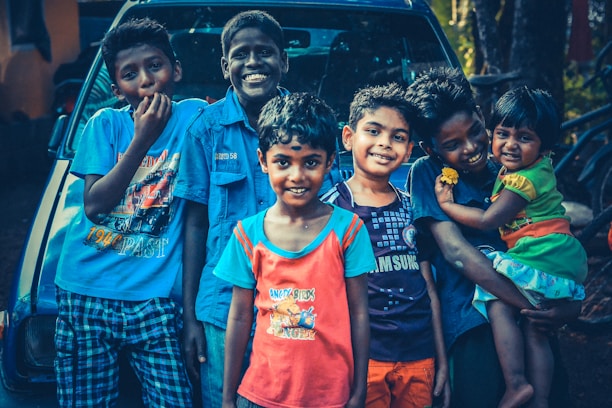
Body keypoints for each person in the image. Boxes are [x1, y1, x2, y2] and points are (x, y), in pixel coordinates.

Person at [174, 10, 341, 408]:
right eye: (241, 54)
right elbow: (195, 227)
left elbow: (327, 215)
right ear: (225, 65)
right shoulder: (206, 130)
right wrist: (191, 316)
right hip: (220, 304)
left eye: (264, 52)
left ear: (284, 61)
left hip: (293, 302)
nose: (253, 62)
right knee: (225, 400)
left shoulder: (310, 123)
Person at [405, 67, 582, 408]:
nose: (471, 148)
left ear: (481, 116)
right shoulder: (428, 174)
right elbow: (457, 253)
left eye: (475, 132)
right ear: (431, 148)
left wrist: (568, 307)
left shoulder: (513, 167)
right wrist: (530, 304)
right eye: (453, 144)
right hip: (475, 322)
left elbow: (553, 237)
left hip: (534, 323)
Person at [53, 18, 207, 407]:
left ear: (176, 70)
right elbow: (95, 205)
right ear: (117, 88)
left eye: (155, 66)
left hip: (154, 299)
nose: (146, 80)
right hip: (85, 290)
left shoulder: (195, 119)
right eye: (130, 73)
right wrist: (142, 140)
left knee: (176, 399)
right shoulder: (105, 125)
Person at [216, 92, 374, 408]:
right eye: (283, 162)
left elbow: (359, 314)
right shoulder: (247, 235)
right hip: (260, 395)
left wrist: (358, 391)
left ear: (330, 161)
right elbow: (238, 318)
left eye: (311, 162)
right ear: (263, 161)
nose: (297, 176)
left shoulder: (349, 231)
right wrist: (227, 398)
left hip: (331, 398)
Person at [321, 83, 450, 408]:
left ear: (408, 151)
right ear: (349, 137)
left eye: (398, 137)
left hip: (419, 355)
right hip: (363, 359)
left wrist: (441, 358)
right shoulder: (331, 209)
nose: (384, 143)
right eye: (374, 131)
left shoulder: (413, 207)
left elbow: (428, 287)